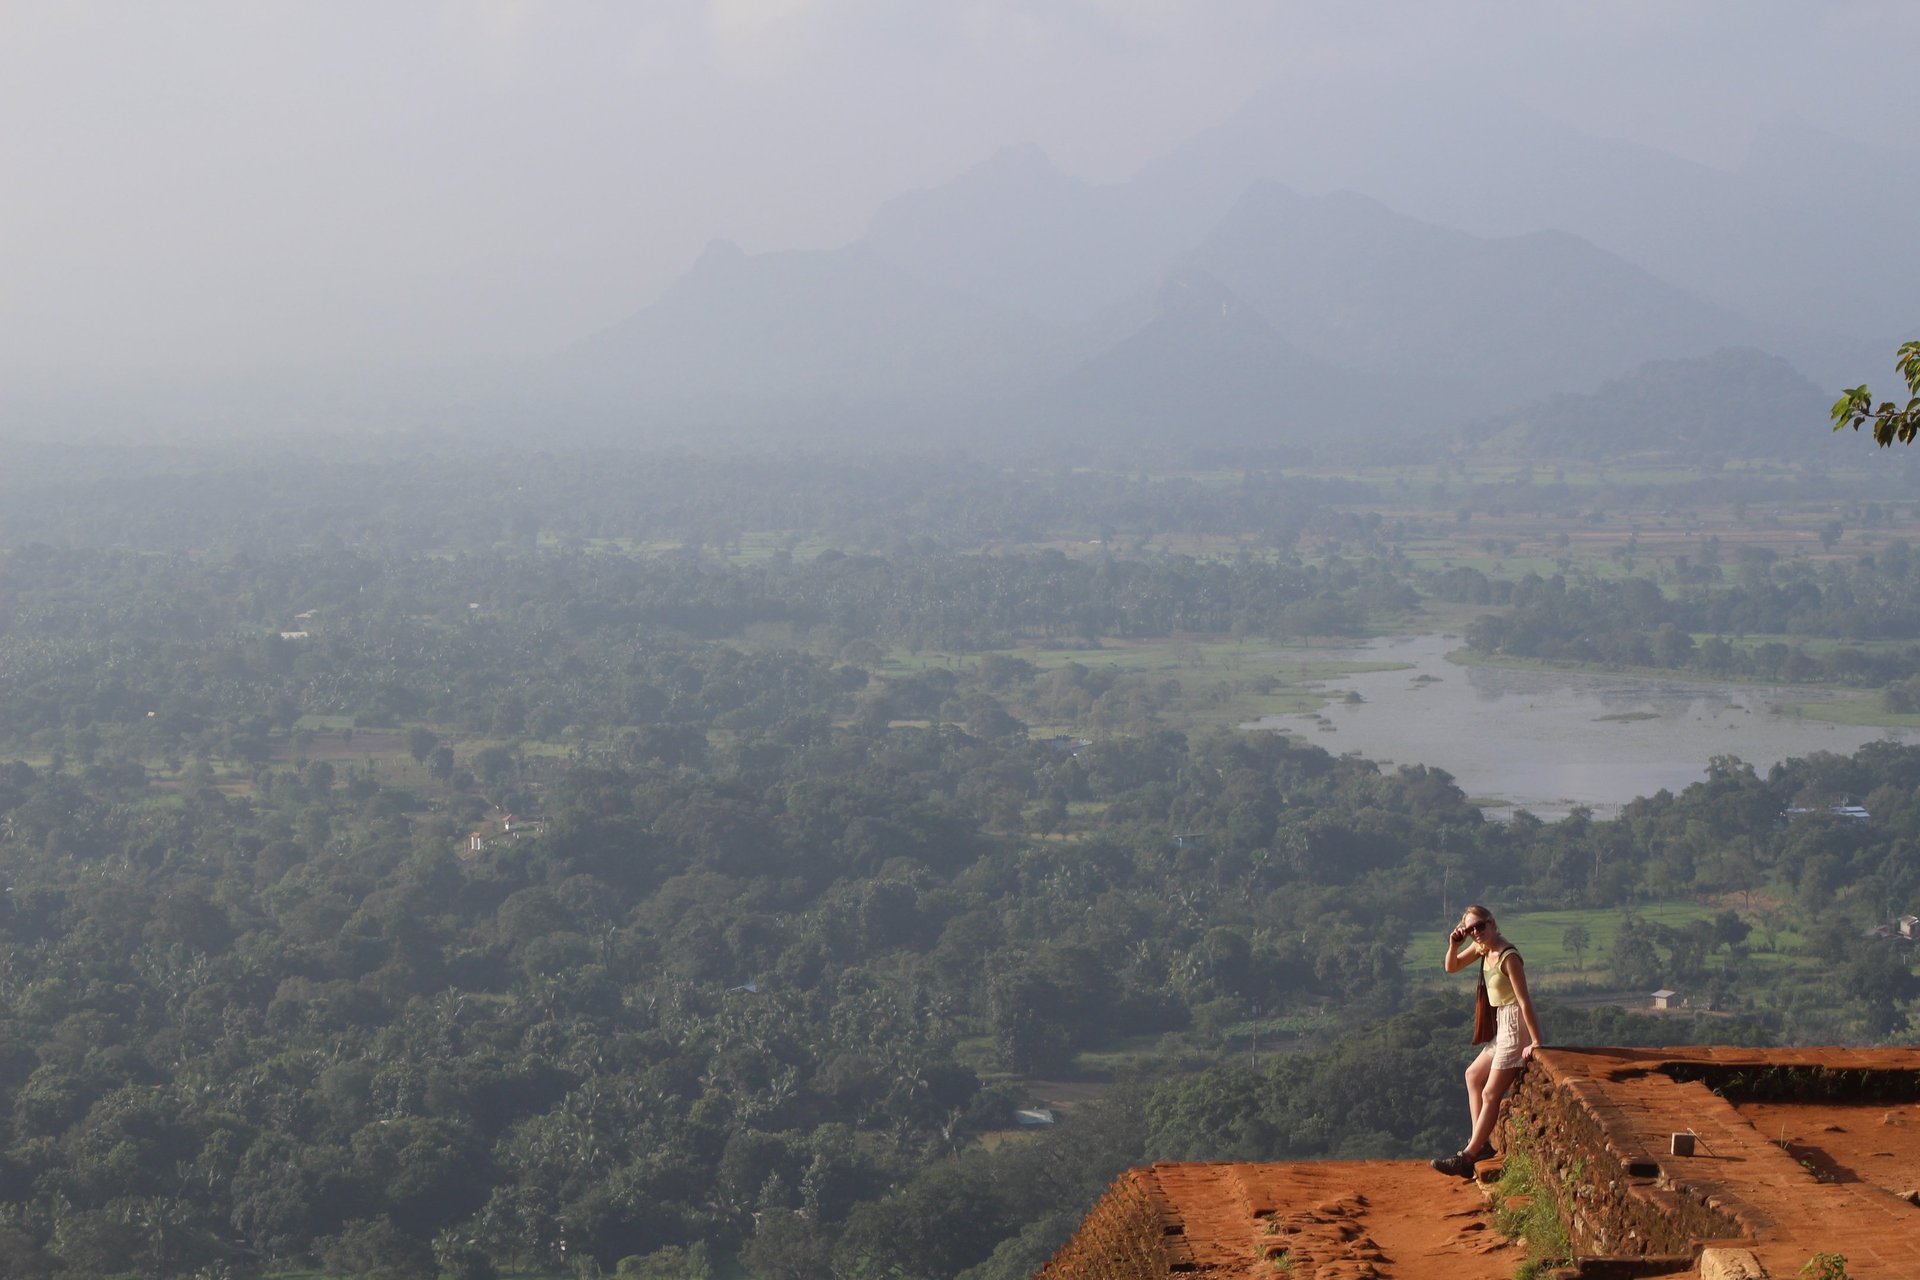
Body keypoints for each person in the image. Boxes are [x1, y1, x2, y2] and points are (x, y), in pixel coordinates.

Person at [1431, 904, 1543, 1178]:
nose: (1476, 933)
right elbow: (1452, 967)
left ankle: (1468, 1156)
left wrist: (1537, 1041)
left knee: (1490, 1093)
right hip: (1502, 1025)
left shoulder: (1508, 956)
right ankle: (1479, 1144)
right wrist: (1453, 945)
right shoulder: (1484, 949)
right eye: (1470, 930)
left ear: (1492, 923)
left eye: (1480, 926)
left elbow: (1524, 1001)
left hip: (1515, 1024)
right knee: (1472, 1076)